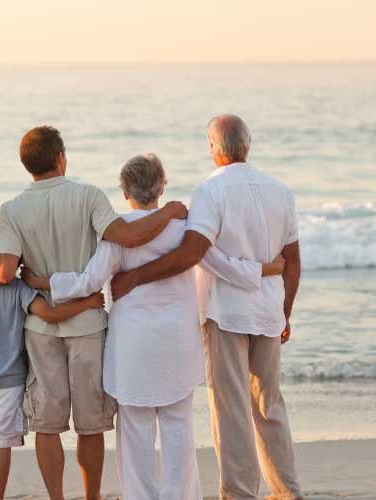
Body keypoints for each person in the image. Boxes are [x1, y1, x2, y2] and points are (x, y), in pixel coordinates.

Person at [22, 153, 284, 500]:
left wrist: (41, 281)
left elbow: (88, 282)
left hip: (133, 345)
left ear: (124, 190)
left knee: (135, 436)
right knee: (179, 429)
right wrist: (266, 270)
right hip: (176, 341)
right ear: (162, 186)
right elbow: (222, 266)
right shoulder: (184, 230)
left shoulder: (118, 234)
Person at [0, 126, 188, 500]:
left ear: (27, 165)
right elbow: (130, 237)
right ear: (61, 158)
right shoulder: (88, 195)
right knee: (90, 424)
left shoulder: (11, 209)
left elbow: (6, 271)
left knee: (47, 423)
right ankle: (92, 496)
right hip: (88, 326)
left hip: (41, 327)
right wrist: (172, 210)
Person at [110, 115, 304, 500]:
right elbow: (293, 260)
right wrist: (286, 311)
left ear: (215, 148)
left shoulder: (210, 192)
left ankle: (239, 493)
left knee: (230, 407)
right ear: (247, 146)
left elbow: (191, 254)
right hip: (267, 312)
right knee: (270, 404)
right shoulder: (281, 191)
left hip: (226, 313)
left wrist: (135, 277)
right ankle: (287, 491)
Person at [0, 228, 106, 500]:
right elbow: (49, 315)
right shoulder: (20, 291)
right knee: (2, 444)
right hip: (9, 380)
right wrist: (89, 302)